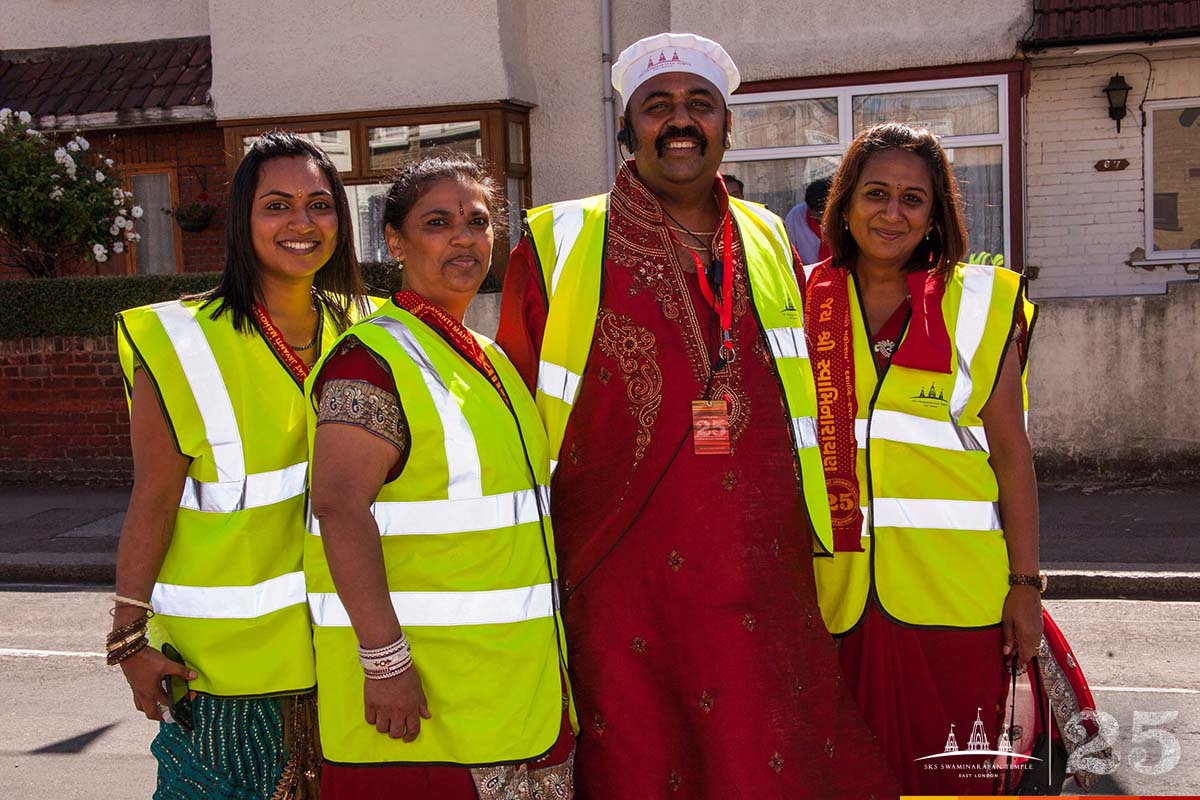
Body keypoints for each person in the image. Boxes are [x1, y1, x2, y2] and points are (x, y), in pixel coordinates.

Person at [498, 32, 898, 798]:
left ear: (726, 125)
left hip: (764, 568)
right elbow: (512, 414)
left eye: (699, 104)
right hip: (617, 575)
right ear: (628, 128)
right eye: (658, 106)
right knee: (641, 763)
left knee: (768, 758)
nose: (680, 121)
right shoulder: (557, 241)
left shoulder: (769, 237)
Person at [305, 153, 576, 799]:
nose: (463, 238)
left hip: (515, 691)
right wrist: (384, 662)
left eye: (477, 222)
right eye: (437, 223)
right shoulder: (371, 359)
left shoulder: (490, 358)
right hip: (421, 708)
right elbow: (339, 508)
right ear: (394, 240)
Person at [111, 130, 371, 798]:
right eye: (276, 205)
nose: (301, 223)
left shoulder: (368, 328)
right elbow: (152, 501)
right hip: (224, 676)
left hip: (350, 654)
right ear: (241, 221)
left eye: (319, 205)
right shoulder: (180, 342)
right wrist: (127, 639)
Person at [804, 122, 1041, 795]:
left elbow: (1012, 455)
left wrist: (1026, 586)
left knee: (950, 781)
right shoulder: (798, 300)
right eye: (875, 193)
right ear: (845, 203)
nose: (892, 213)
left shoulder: (981, 304)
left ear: (936, 214)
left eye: (913, 199)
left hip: (955, 603)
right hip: (832, 600)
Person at [785, 175, 832, 265]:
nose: (821, 221)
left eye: (822, 215)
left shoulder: (847, 216)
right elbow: (788, 254)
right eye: (814, 215)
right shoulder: (795, 217)